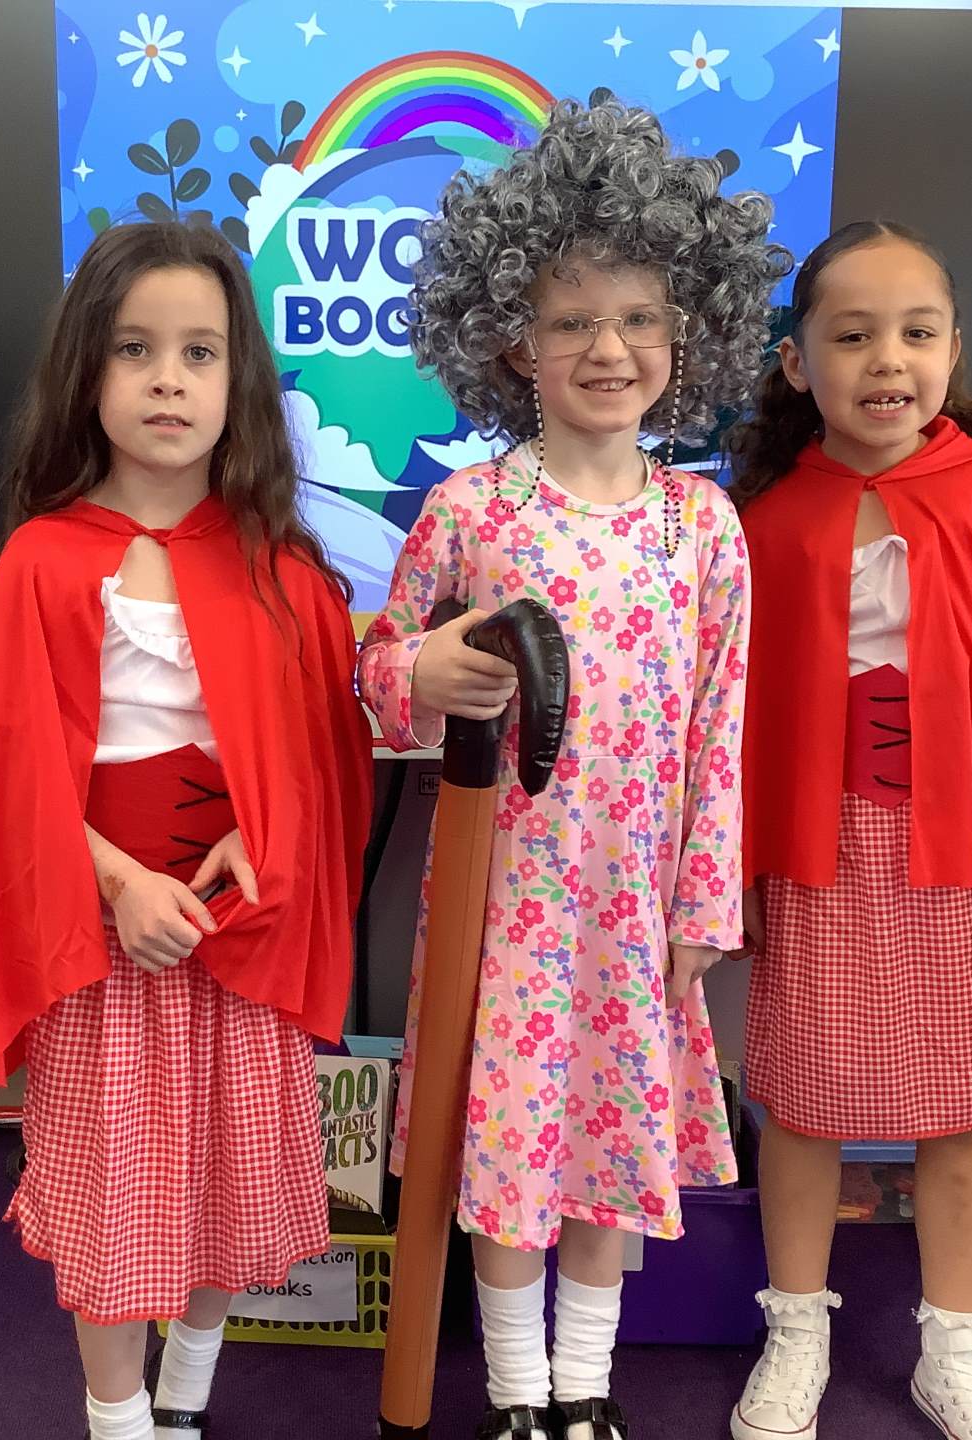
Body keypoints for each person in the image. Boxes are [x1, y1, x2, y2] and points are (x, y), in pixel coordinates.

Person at [359, 99, 787, 1440]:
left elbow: (721, 728)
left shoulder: (704, 524)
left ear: (690, 333)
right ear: (511, 338)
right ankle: (516, 1393)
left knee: (611, 1148)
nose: (609, 349)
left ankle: (587, 1389)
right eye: (572, 321)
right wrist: (421, 674)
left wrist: (705, 905)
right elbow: (380, 674)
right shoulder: (470, 510)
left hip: (637, 906)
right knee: (503, 1150)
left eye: (640, 319)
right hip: (506, 908)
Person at [0, 220, 371, 1440]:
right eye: (135, 350)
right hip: (100, 942)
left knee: (234, 1186)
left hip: (239, 938)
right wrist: (119, 883)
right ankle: (119, 1420)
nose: (168, 380)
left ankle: (187, 1390)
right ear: (88, 372)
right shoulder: (39, 564)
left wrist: (261, 841)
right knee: (115, 1199)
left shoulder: (282, 569)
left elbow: (320, 765)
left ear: (241, 383)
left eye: (199, 352)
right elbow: (2, 780)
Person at [725, 221, 972, 1440]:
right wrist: (736, 863)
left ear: (952, 349)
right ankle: (796, 1332)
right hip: (819, 840)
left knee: (965, 1102)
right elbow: (739, 718)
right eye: (853, 334)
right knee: (803, 1098)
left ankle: (955, 1350)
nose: (889, 359)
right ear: (798, 362)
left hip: (962, 835)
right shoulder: (770, 518)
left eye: (917, 333)